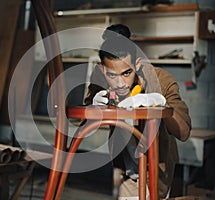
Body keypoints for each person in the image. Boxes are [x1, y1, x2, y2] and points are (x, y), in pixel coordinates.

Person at [84, 24, 191, 199]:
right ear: (102, 68)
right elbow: (85, 127)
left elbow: (184, 132)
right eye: (112, 75)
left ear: (137, 64)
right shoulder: (99, 78)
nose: (120, 84)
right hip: (124, 169)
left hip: (157, 169)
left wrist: (160, 103)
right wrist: (93, 108)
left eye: (127, 73)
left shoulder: (161, 80)